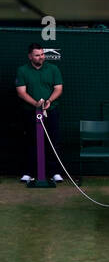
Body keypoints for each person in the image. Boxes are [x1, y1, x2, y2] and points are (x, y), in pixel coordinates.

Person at [15, 42, 64, 183]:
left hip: (51, 111)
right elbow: (21, 92)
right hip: (30, 112)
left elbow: (58, 88)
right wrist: (36, 104)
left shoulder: (53, 69)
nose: (41, 57)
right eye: (37, 55)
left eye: (42, 54)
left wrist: (48, 101)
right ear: (30, 56)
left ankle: (54, 172)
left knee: (52, 141)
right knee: (31, 142)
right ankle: (29, 173)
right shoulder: (22, 70)